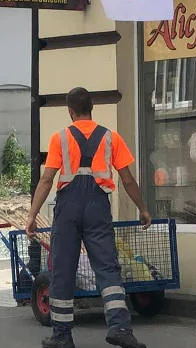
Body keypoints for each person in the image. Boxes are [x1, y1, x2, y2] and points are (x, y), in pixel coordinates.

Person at [27, 87, 151, 348]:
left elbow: (47, 179)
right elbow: (127, 179)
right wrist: (143, 208)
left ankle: (62, 336)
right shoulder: (111, 138)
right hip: (97, 206)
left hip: (68, 208)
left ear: (70, 111)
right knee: (107, 267)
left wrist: (32, 215)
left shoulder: (59, 138)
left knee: (63, 271)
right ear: (92, 107)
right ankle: (120, 328)